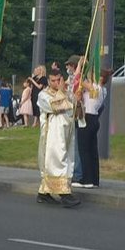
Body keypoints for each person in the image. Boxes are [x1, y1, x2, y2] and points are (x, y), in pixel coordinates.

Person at [36, 68, 80, 207]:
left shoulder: (66, 93)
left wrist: (77, 101)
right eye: (53, 81)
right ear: (49, 81)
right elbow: (55, 106)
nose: (56, 83)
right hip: (53, 131)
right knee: (56, 159)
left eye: (58, 80)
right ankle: (64, 193)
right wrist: (63, 93)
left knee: (67, 158)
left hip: (66, 130)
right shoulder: (43, 94)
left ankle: (44, 193)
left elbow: (74, 109)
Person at [73, 71, 107, 190]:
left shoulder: (96, 87)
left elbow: (80, 82)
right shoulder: (102, 89)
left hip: (88, 118)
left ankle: (86, 179)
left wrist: (80, 76)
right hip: (93, 119)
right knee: (92, 151)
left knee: (84, 150)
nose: (91, 76)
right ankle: (94, 179)